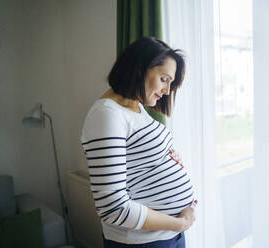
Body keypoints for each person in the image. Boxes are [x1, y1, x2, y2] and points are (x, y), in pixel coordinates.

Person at [81, 37, 197, 248]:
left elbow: (139, 163)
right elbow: (113, 208)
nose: (167, 91)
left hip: (166, 236)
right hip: (143, 242)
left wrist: (166, 158)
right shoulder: (106, 114)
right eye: (164, 79)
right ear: (140, 68)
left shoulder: (136, 108)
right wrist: (179, 223)